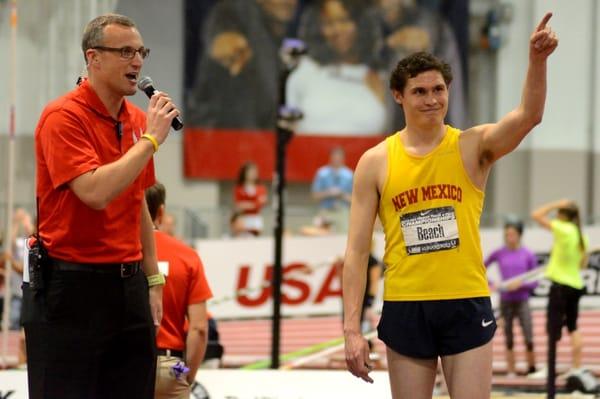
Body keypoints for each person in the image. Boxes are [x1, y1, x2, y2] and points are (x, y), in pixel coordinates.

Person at [342, 13, 557, 398]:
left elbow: (529, 116)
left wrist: (537, 63)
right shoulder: (375, 162)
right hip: (407, 303)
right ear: (399, 96)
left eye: (438, 89)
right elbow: (357, 252)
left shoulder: (472, 147)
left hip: (463, 300)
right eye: (420, 92)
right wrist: (351, 329)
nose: (432, 99)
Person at [25, 13, 180, 399]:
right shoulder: (63, 117)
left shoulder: (137, 121)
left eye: (141, 51)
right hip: (71, 287)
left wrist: (154, 280)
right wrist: (150, 142)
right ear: (93, 58)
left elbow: (138, 204)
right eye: (125, 51)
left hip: (128, 289)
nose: (138, 61)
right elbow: (93, 193)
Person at [145, 182, 213, 399]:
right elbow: (199, 329)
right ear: (161, 212)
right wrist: (185, 376)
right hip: (171, 365)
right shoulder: (187, 256)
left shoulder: (118, 254)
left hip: (127, 364)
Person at [188, 0, 298, 130]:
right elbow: (223, 39)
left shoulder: (279, 34)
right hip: (224, 138)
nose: (288, 2)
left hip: (260, 139)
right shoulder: (236, 12)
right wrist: (226, 41)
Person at [286, 0, 387, 135]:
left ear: (362, 24)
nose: (337, 30)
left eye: (345, 21)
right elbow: (285, 133)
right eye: (328, 23)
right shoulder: (302, 70)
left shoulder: (380, 77)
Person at [531, 200, 588, 377]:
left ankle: (550, 368)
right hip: (575, 285)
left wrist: (555, 204)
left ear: (563, 215)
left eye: (558, 212)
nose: (555, 215)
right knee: (573, 327)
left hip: (560, 286)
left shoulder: (563, 229)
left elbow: (536, 215)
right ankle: (577, 368)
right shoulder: (580, 236)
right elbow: (583, 265)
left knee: (553, 328)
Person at [485, 220, 538, 377]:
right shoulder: (499, 253)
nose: (509, 237)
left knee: (528, 335)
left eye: (513, 234)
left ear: (520, 235)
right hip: (505, 300)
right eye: (507, 234)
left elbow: (535, 281)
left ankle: (532, 369)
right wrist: (493, 284)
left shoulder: (528, 254)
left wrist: (521, 284)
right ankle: (511, 370)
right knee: (508, 337)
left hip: (522, 300)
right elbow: (481, 268)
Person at [311, 146, 353, 232]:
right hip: (326, 211)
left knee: (343, 237)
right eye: (334, 157)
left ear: (343, 159)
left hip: (342, 212)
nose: (337, 159)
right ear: (330, 158)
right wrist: (329, 193)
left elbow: (355, 199)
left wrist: (342, 194)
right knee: (323, 237)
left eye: (339, 157)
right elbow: (314, 196)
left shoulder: (349, 175)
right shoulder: (322, 173)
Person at [234, 161, 268, 236]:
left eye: (254, 172)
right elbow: (239, 205)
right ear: (245, 173)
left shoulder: (261, 189)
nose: (253, 174)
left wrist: (248, 204)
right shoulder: (239, 189)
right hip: (243, 218)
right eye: (250, 172)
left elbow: (260, 204)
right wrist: (254, 203)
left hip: (255, 218)